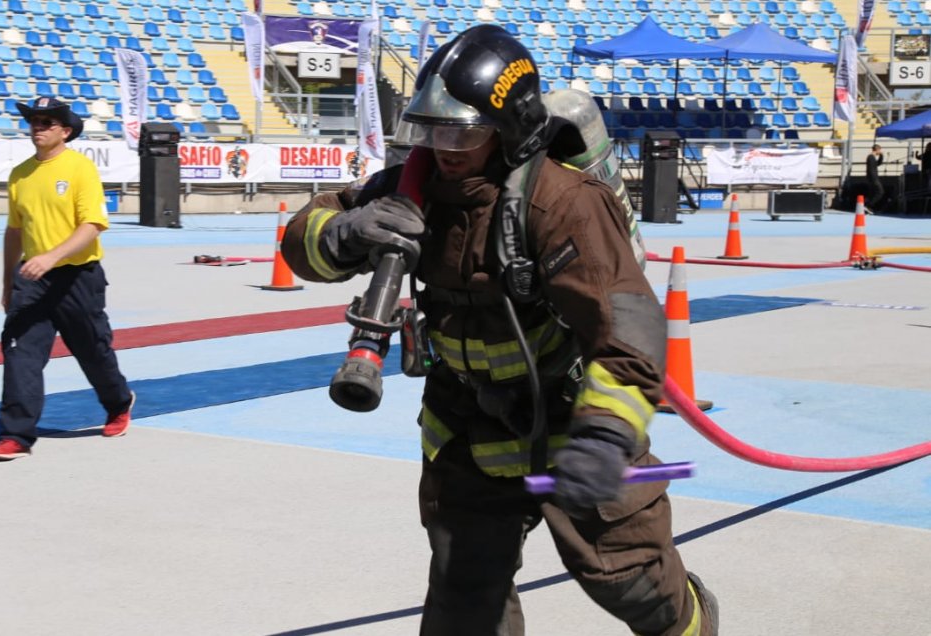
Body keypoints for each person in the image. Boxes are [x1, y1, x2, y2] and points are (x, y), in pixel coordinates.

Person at [281, 25, 718, 636]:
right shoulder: (412, 186)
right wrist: (343, 231)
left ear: (508, 128)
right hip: (468, 433)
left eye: (460, 131)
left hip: (574, 423)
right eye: (431, 130)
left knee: (634, 584)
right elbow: (304, 242)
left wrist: (606, 434)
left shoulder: (563, 204)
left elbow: (628, 331)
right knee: (464, 607)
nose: (443, 147)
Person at [0, 97, 135, 461]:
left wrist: (52, 256)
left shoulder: (80, 169)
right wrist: (8, 282)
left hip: (77, 277)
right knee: (20, 351)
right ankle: (17, 434)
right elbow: (14, 231)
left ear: (65, 131)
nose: (38, 127)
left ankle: (118, 402)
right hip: (31, 280)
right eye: (35, 121)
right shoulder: (20, 174)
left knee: (92, 349)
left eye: (47, 122)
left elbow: (93, 225)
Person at [865, 143, 885, 213]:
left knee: (873, 193)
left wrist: (881, 156)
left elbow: (878, 163)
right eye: (880, 150)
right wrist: (874, 179)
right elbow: (870, 169)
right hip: (873, 178)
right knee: (880, 191)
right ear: (877, 150)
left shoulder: (872, 157)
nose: (880, 152)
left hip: (873, 178)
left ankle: (868, 207)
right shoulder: (870, 157)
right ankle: (868, 205)